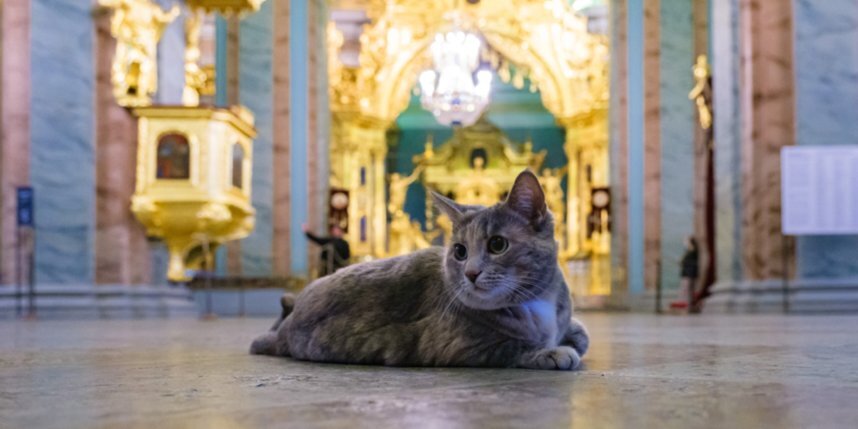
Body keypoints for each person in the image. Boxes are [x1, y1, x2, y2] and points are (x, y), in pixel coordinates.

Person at [671, 236, 699, 312]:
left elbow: (691, 262)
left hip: (689, 273)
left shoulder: (693, 252)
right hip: (686, 273)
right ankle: (687, 306)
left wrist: (682, 262)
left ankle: (687, 306)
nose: (685, 243)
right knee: (685, 290)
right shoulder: (688, 252)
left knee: (687, 290)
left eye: (686, 241)